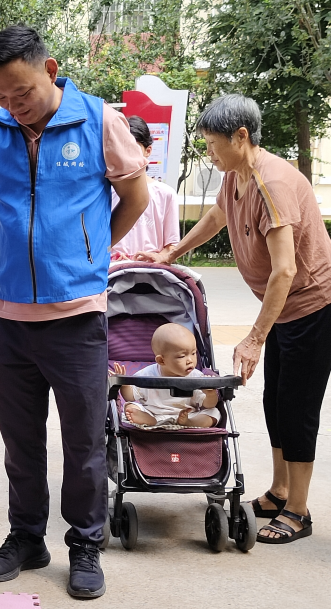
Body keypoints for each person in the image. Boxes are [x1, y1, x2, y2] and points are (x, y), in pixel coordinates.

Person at [0, 25, 149, 597]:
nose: (11, 104)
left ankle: (85, 543)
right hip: (11, 316)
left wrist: (89, 251)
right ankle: (25, 536)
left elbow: (136, 196)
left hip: (76, 315)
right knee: (20, 441)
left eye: (20, 92)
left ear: (49, 70)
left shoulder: (98, 120)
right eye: (1, 95)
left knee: (82, 441)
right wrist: (19, 252)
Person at [137, 94, 331, 544]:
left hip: (313, 306)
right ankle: (281, 491)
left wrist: (254, 338)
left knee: (298, 408)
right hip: (286, 308)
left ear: (240, 136)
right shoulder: (236, 175)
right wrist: (170, 253)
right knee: (276, 402)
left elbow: (285, 269)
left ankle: (299, 511)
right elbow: (216, 216)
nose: (209, 152)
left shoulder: (273, 183)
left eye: (212, 143)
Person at [114, 323, 220, 428]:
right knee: (130, 406)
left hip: (189, 415)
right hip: (153, 413)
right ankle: (151, 421)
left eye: (193, 353)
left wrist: (210, 393)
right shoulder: (147, 374)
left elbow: (208, 405)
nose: (190, 360)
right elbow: (130, 397)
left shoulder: (197, 376)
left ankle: (189, 423)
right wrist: (124, 384)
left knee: (214, 412)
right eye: (182, 356)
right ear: (161, 360)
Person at [110, 116, 180, 262]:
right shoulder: (105, 192)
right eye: (122, 149)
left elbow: (171, 246)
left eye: (133, 149)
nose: (126, 156)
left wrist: (155, 257)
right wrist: (110, 256)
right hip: (112, 272)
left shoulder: (166, 194)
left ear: (148, 151)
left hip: (150, 275)